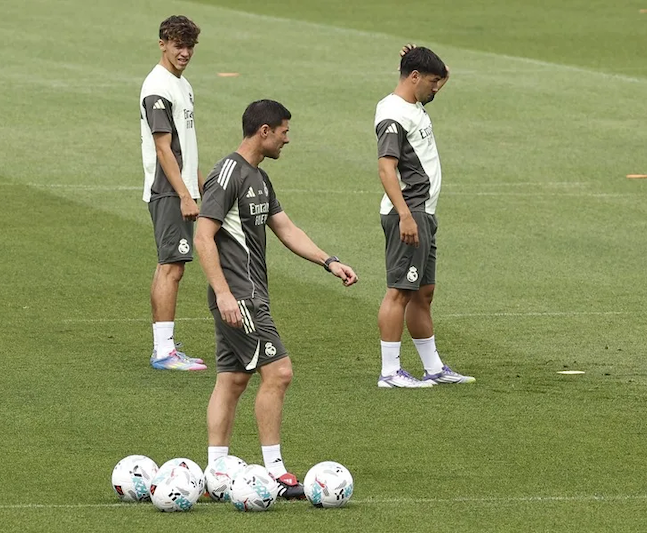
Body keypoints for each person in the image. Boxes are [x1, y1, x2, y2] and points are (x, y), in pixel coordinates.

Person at [195, 99, 358, 498]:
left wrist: (329, 261)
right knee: (279, 372)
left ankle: (216, 472)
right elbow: (203, 235)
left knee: (232, 379)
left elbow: (286, 228)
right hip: (240, 297)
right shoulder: (228, 174)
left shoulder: (260, 179)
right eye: (284, 131)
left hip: (250, 296)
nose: (288, 138)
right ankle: (275, 472)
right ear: (264, 131)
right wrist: (223, 293)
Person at [374, 45, 475, 388]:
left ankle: (433, 368)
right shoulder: (393, 114)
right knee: (400, 291)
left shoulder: (414, 103)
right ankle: (389, 373)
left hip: (423, 212)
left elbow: (443, 73)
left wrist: (420, 57)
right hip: (409, 212)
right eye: (431, 81)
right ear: (414, 77)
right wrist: (405, 215)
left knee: (423, 292)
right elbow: (385, 168)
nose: (437, 87)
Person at [140, 15, 206, 370]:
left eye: (189, 46)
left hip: (179, 186)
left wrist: (198, 184)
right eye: (178, 45)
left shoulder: (182, 84)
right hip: (168, 189)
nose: (184, 53)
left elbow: (185, 144)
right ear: (162, 43)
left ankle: (163, 346)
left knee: (169, 264)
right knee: (172, 266)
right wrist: (183, 194)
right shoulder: (158, 88)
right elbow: (164, 149)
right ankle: (164, 351)